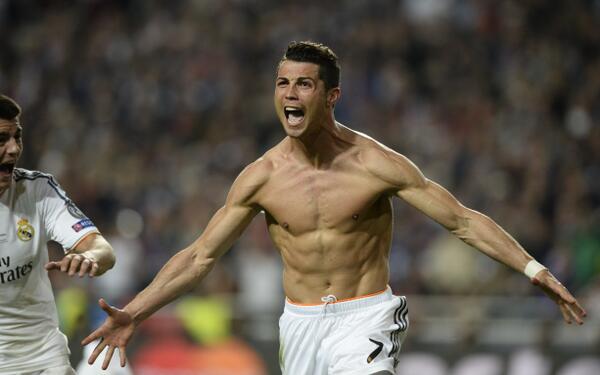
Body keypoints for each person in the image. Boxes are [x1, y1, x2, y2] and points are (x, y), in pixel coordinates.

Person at [83, 41, 587, 374]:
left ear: (332, 95)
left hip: (365, 316)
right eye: (282, 83)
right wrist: (136, 312)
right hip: (298, 324)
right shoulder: (261, 178)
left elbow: (461, 221)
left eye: (304, 83)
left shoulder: (375, 164)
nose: (290, 93)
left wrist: (532, 268)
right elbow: (199, 257)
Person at [0, 94, 116, 375]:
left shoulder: (37, 191)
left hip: (41, 359)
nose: (14, 149)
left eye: (18, 137)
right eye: (2, 139)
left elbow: (103, 250)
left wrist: (89, 257)